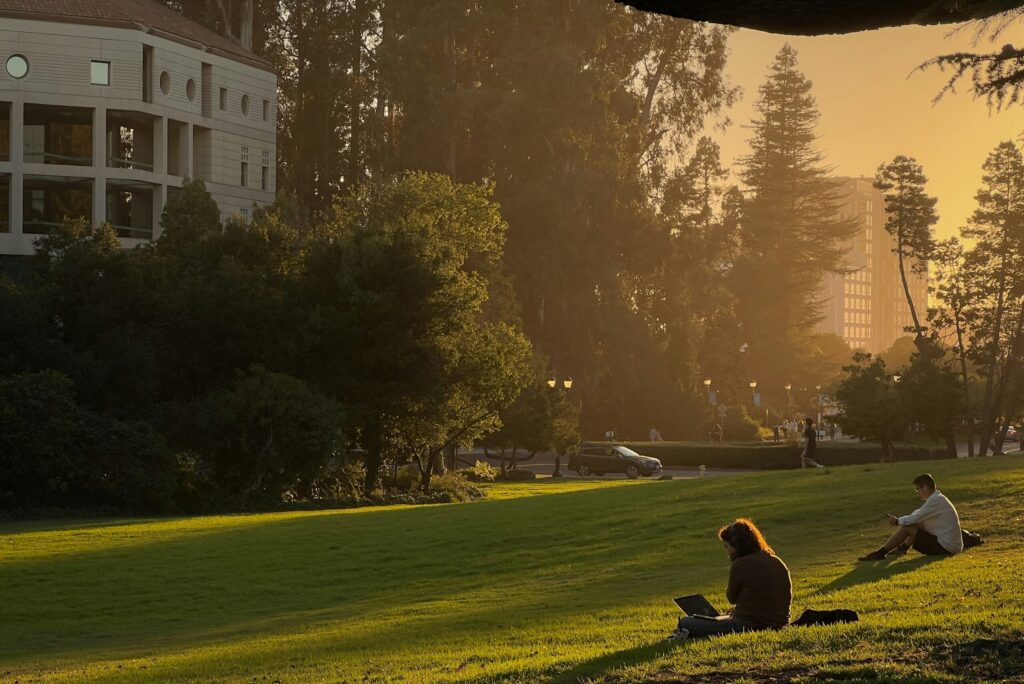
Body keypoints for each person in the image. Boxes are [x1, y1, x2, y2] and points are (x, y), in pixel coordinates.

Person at [668, 518, 792, 641]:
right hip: (780, 623)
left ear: (737, 546)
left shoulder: (740, 564)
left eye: (727, 546)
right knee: (722, 617)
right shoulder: (776, 560)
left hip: (749, 626)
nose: (727, 552)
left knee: (685, 622)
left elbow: (731, 598)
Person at [858, 473, 963, 561]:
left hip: (947, 547)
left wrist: (897, 521)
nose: (917, 493)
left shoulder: (936, 501)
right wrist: (901, 520)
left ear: (925, 487)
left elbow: (915, 518)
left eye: (917, 489)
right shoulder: (937, 499)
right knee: (914, 524)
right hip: (949, 545)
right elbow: (917, 515)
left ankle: (881, 553)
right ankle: (902, 548)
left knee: (907, 527)